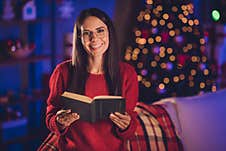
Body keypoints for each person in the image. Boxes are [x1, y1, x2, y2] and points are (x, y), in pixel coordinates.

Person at [45, 8, 138, 151]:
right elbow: (50, 117)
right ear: (80, 38)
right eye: (87, 33)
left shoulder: (127, 73)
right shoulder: (62, 72)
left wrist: (127, 125)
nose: (94, 39)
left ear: (109, 33)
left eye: (100, 31)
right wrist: (59, 122)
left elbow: (130, 128)